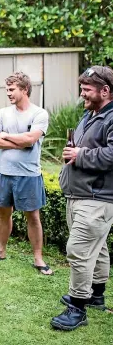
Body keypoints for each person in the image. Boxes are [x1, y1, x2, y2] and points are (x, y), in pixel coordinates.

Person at [51, 66, 113, 331]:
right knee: (97, 250)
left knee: (78, 251)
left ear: (105, 90)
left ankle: (77, 308)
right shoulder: (91, 115)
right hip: (79, 194)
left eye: (87, 89)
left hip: (97, 198)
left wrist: (80, 155)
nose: (82, 94)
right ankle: (96, 296)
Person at [0, 72, 53, 275]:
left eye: (12, 90)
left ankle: (38, 258)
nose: (8, 94)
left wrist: (8, 136)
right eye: (7, 90)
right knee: (3, 214)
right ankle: (0, 250)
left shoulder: (39, 114)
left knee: (33, 216)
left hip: (29, 175)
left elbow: (30, 140)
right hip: (4, 173)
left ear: (25, 90)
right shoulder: (3, 113)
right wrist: (19, 142)